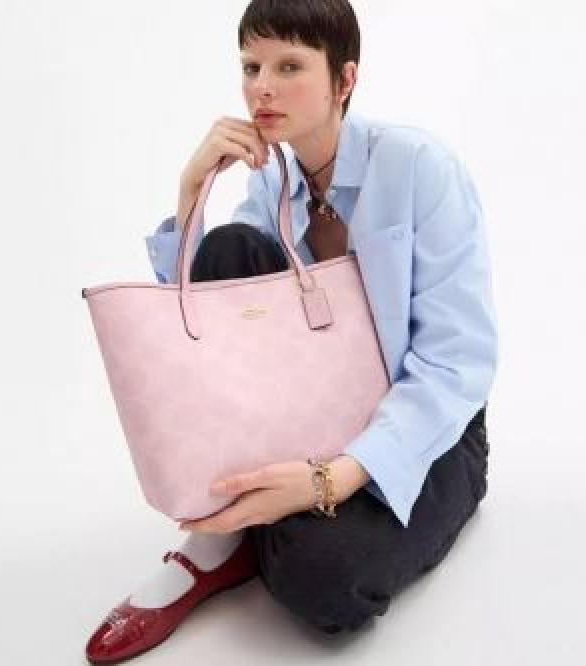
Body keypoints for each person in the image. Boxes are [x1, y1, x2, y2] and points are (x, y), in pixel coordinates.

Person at [85, 0, 498, 662]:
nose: (262, 88)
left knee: (325, 578)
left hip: (431, 432)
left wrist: (328, 481)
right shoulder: (273, 184)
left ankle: (241, 532)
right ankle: (226, 534)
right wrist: (191, 191)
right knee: (229, 249)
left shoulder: (420, 167)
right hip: (318, 416)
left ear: (344, 79)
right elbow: (202, 328)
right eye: (251, 67)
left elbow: (456, 363)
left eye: (289, 66)